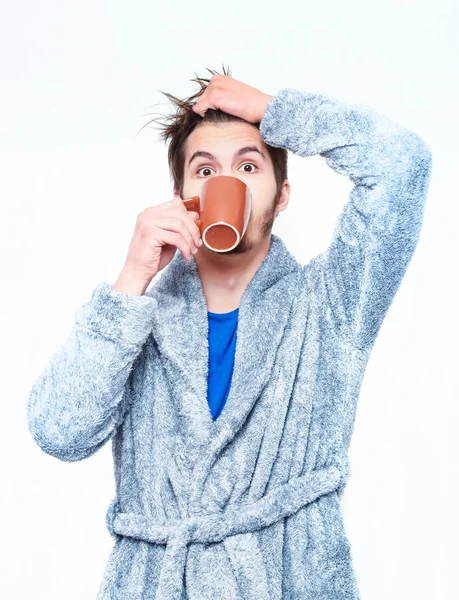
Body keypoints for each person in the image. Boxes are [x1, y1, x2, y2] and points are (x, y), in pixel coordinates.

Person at [26, 65, 432, 599]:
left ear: (281, 194)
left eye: (248, 165)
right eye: (205, 170)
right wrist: (131, 281)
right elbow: (59, 432)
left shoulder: (331, 304)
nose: (227, 184)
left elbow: (402, 163)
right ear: (180, 195)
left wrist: (273, 111)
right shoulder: (135, 321)